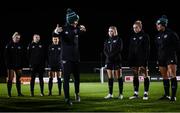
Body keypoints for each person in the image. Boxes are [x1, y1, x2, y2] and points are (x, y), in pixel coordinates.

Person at [54, 8, 86, 106]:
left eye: (77, 20)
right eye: (75, 20)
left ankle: (77, 94)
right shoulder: (63, 28)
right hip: (65, 58)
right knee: (66, 79)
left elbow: (81, 32)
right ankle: (67, 98)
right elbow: (54, 34)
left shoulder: (77, 28)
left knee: (77, 78)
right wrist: (56, 31)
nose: (77, 22)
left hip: (76, 58)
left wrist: (83, 30)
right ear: (70, 20)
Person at [155, 15, 180, 101]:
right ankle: (166, 95)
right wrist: (158, 59)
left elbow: (177, 46)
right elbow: (158, 48)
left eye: (158, 24)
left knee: (172, 75)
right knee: (164, 76)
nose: (157, 26)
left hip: (170, 57)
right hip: (161, 58)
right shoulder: (158, 36)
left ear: (163, 24)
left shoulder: (171, 33)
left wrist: (171, 53)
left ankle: (173, 96)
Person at [128, 20, 150, 100]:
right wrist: (130, 61)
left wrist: (144, 61)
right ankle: (136, 93)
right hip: (134, 60)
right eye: (133, 28)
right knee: (135, 76)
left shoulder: (145, 36)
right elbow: (130, 50)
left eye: (136, 27)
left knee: (145, 76)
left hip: (142, 60)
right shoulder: (132, 37)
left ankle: (145, 93)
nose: (134, 29)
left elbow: (147, 50)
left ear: (140, 27)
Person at [103, 26, 123, 99]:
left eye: (111, 31)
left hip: (117, 60)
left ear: (115, 31)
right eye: (109, 31)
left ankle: (120, 94)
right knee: (110, 77)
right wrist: (108, 56)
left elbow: (119, 49)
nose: (110, 32)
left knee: (119, 77)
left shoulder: (119, 39)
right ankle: (110, 94)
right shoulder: (107, 40)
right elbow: (105, 50)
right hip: (109, 61)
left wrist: (111, 56)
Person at [4, 32, 24, 97]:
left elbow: (22, 56)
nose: (17, 39)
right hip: (11, 65)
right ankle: (9, 94)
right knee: (10, 79)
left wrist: (21, 65)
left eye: (19, 38)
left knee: (18, 79)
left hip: (18, 65)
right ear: (13, 37)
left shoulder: (20, 45)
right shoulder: (8, 45)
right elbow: (6, 56)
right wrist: (8, 65)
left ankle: (19, 93)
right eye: (16, 38)